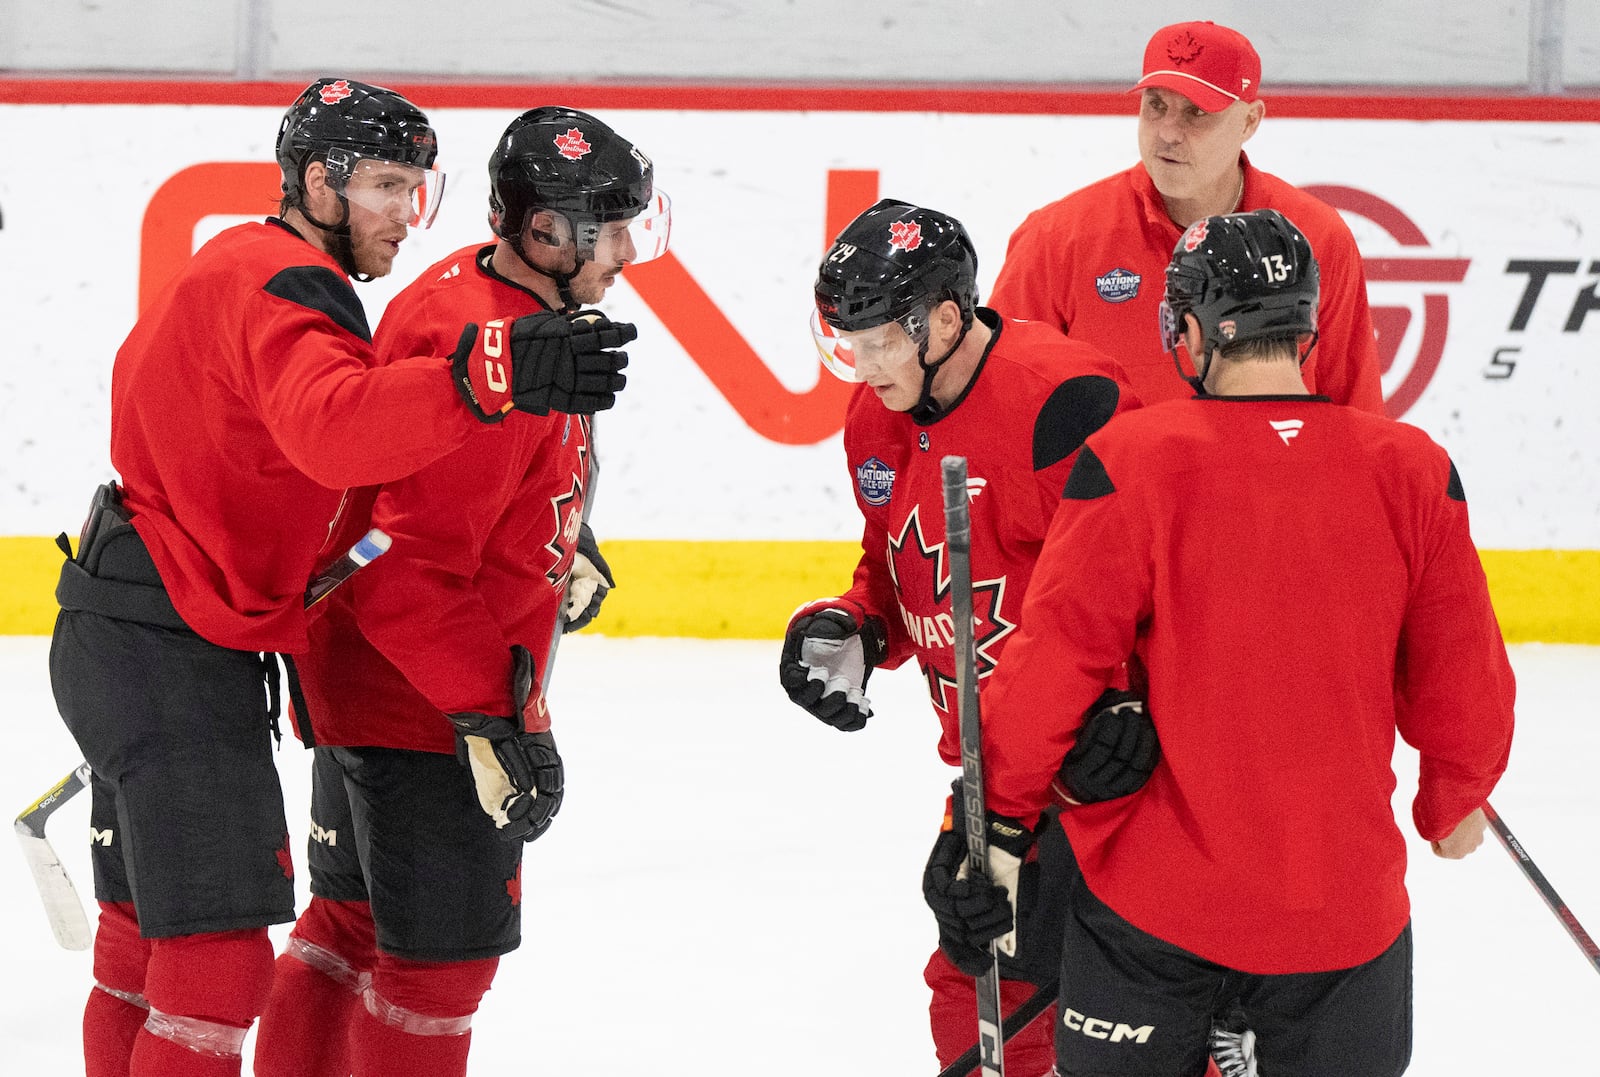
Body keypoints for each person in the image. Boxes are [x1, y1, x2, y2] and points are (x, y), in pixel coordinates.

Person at [48, 81, 635, 1077]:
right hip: (167, 649)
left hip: (135, 625)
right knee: (214, 974)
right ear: (318, 184)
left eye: (417, 188)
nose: (405, 215)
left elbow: (334, 502)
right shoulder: (288, 284)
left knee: (147, 951)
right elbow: (333, 434)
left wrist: (539, 531)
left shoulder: (239, 261)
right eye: (384, 186)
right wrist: (480, 374)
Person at [944, 209, 1516, 1077]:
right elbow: (1464, 678)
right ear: (1307, 325)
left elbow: (1050, 667)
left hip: (1154, 912)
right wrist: (1454, 793)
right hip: (1344, 918)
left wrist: (996, 822)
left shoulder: (1135, 457)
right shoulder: (1412, 466)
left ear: (1190, 331)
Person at [252, 106, 669, 1077]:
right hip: (424, 699)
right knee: (440, 971)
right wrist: (493, 718)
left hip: (363, 675)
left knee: (345, 925)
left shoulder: (475, 303)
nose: (627, 253)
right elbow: (409, 561)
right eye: (611, 230)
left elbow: (429, 499)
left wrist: (559, 534)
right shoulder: (488, 340)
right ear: (543, 232)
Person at [780, 198, 1139, 1075]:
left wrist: (1143, 706)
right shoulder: (877, 417)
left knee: (1141, 999)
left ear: (944, 318)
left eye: (877, 342)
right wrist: (855, 625)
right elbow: (901, 567)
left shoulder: (1068, 401)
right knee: (976, 989)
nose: (861, 367)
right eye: (846, 342)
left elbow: (1160, 573)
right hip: (996, 774)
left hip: (1117, 772)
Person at [990, 19, 1385, 415]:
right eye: (1156, 105)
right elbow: (999, 402)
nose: (1168, 133)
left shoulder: (1314, 237)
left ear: (1250, 121)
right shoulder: (1057, 239)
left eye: (1196, 112)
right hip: (1111, 479)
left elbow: (1356, 417)